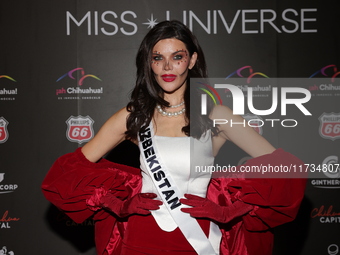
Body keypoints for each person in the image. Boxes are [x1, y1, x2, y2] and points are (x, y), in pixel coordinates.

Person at [42, 20, 306, 255]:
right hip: (140, 235)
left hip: (198, 238)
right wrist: (118, 206)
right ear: (149, 63)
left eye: (177, 57)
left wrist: (227, 212)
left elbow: (286, 168)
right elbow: (68, 174)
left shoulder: (216, 114)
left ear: (191, 60)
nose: (167, 67)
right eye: (158, 58)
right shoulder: (132, 116)